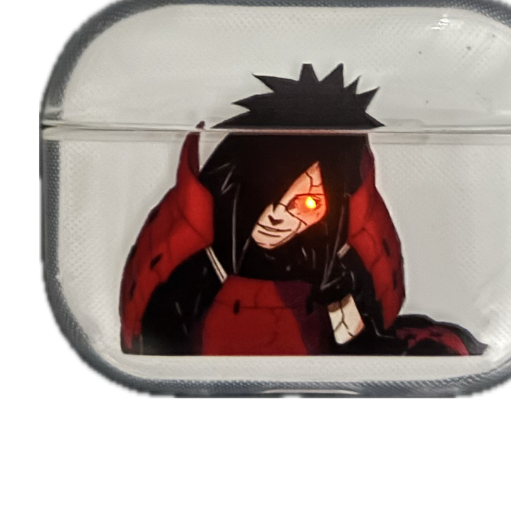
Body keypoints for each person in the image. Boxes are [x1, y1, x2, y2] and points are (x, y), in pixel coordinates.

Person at [119, 63, 484, 357]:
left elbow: (361, 356)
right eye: (263, 195)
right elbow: (159, 354)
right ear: (233, 184)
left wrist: (340, 300)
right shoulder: (202, 268)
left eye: (307, 203)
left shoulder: (340, 271)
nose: (277, 214)